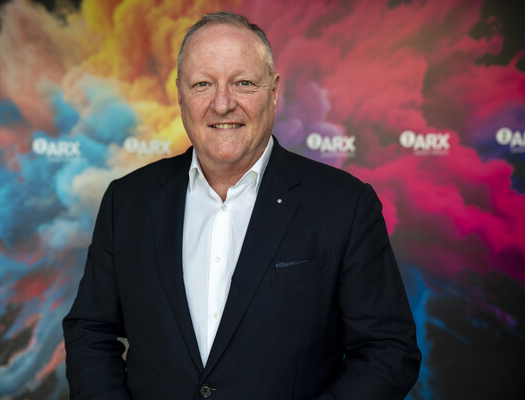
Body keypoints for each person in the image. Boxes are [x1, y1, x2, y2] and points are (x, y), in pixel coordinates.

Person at [63, 11, 421, 400]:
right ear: (180, 93)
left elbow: (388, 351)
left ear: (274, 90)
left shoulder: (345, 206)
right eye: (203, 84)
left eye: (243, 83)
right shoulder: (126, 202)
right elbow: (90, 332)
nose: (222, 104)